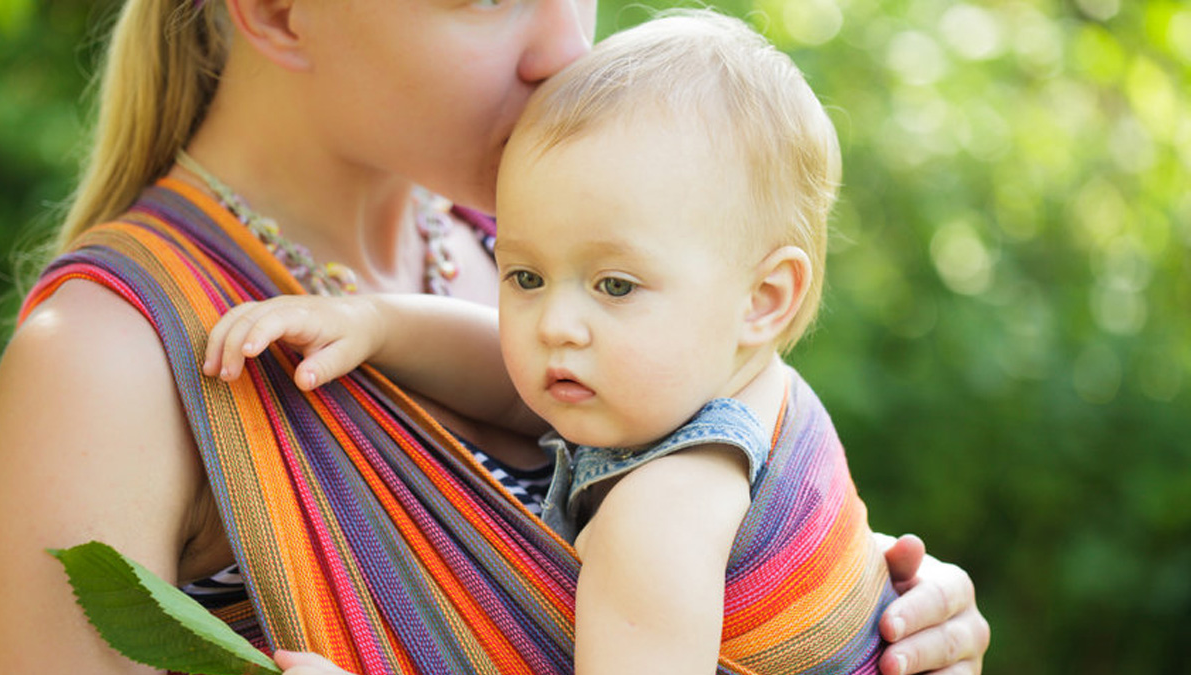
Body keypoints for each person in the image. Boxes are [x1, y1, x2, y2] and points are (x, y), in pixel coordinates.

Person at [0, 1, 988, 674]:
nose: (564, 47)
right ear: (280, 10)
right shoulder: (111, 358)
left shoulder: (541, 260)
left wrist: (874, 616)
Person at [204, 11, 910, 673]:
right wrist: (376, 325)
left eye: (615, 286)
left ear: (765, 298)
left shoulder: (661, 517)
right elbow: (507, 380)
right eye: (526, 275)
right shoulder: (737, 386)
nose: (555, 326)